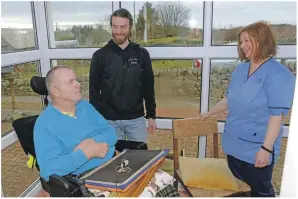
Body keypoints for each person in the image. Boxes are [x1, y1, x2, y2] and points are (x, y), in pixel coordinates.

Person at [200, 21, 296, 197]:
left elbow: (276, 117)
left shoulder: (278, 74)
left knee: (260, 192)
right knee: (238, 191)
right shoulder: (240, 70)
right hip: (234, 146)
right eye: (240, 41)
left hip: (256, 150)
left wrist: (266, 150)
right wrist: (209, 113)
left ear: (262, 40)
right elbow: (228, 99)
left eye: (247, 40)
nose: (242, 45)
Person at [34, 65, 117, 181]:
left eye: (76, 80)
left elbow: (111, 133)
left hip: (114, 162)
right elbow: (48, 171)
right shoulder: (44, 124)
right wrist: (86, 153)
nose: (78, 84)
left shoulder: (85, 107)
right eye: (70, 82)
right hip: (87, 178)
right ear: (55, 91)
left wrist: (93, 142)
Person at [89, 8, 156, 143]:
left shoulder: (142, 54)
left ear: (130, 27)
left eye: (123, 27)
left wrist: (151, 116)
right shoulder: (99, 56)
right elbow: (94, 91)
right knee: (113, 161)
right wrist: (95, 120)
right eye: (115, 26)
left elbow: (148, 87)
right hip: (109, 121)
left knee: (139, 159)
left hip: (136, 120)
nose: (118, 31)